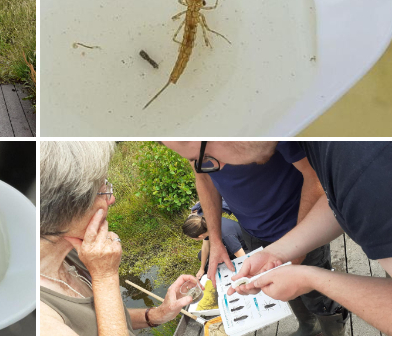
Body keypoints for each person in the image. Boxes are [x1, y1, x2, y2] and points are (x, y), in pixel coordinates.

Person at [167, 141, 392, 335]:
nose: (217, 169)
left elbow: (335, 189)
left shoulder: (365, 174)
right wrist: (276, 253)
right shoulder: (329, 154)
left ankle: (333, 331)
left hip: (294, 220)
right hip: (257, 231)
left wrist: (311, 277)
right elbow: (333, 202)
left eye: (206, 156)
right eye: (197, 161)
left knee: (319, 299)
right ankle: (309, 327)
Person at [40, 141, 201, 335]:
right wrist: (105, 276)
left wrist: (156, 315)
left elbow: (98, 318)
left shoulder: (72, 252)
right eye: (102, 191)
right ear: (66, 209)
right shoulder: (41, 319)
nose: (112, 198)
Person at [182, 214, 246, 280]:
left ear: (200, 236)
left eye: (192, 238)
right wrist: (202, 269)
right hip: (227, 242)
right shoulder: (206, 225)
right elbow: (205, 247)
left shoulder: (226, 236)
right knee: (201, 255)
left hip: (242, 246)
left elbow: (243, 257)